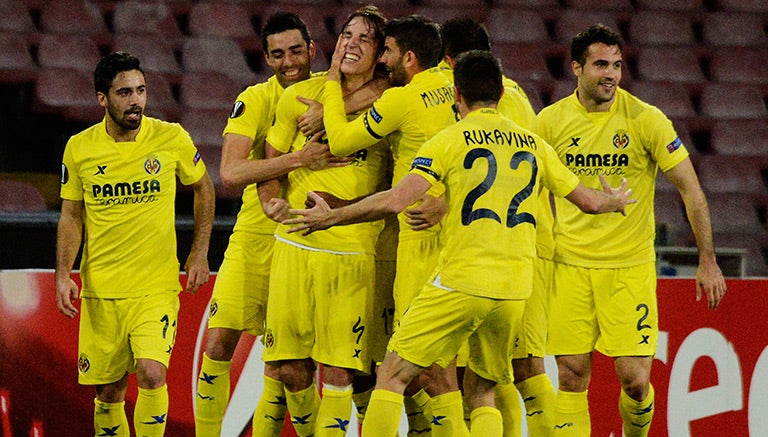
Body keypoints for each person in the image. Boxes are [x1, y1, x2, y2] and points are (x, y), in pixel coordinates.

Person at [283, 50, 636, 437]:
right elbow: (587, 201)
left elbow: (395, 200)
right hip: (515, 287)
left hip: (462, 280)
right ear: (501, 93)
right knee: (483, 390)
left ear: (457, 95)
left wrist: (332, 216)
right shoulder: (534, 145)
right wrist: (615, 201)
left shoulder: (447, 140)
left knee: (393, 375)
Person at [533, 24, 727, 437]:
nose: (612, 74)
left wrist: (707, 260)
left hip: (628, 269)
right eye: (601, 64)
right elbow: (523, 184)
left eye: (617, 65)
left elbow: (690, 189)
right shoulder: (549, 123)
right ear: (576, 68)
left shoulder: (645, 119)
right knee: (570, 377)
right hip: (569, 267)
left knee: (636, 382)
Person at [55, 52, 215, 437]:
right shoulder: (79, 147)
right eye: (124, 92)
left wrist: (199, 251)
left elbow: (204, 188)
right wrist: (63, 273)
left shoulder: (170, 137)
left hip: (155, 288)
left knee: (151, 372)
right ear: (102, 99)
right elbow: (71, 215)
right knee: (108, 391)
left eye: (141, 91)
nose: (136, 101)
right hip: (102, 290)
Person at [193, 12, 335, 437]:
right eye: (278, 54)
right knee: (217, 346)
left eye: (296, 50)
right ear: (267, 57)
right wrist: (296, 159)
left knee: (288, 366)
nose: (289, 61)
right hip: (254, 236)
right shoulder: (255, 98)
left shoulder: (335, 92)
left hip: (306, 237)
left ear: (311, 49)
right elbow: (231, 173)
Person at [321, 15, 459, 435]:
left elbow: (340, 140)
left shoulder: (404, 99)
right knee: (454, 373)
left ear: (410, 58)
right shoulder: (454, 84)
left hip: (419, 243)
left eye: (388, 52)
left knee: (402, 372)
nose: (383, 59)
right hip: (463, 240)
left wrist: (330, 83)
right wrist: (450, 199)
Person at [257, 6, 390, 436]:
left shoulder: (392, 104)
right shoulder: (297, 96)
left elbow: (401, 179)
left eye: (364, 39)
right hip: (294, 245)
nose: (350, 43)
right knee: (288, 369)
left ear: (380, 55)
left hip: (350, 252)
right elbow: (271, 162)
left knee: (339, 373)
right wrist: (271, 200)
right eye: (346, 35)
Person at [440, 17, 555, 437]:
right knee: (498, 368)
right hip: (530, 240)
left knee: (515, 368)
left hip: (504, 247)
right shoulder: (516, 96)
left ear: (451, 62)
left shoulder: (472, 108)